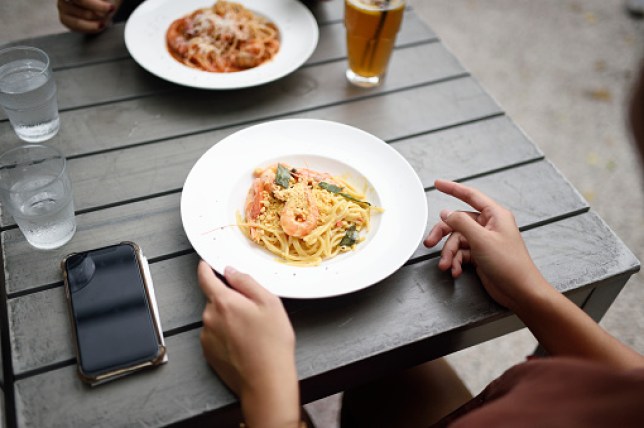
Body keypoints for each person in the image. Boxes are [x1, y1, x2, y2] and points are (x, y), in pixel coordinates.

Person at [197, 65, 644, 427]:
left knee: (210, 409)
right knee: (387, 367)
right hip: (505, 398)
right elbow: (631, 380)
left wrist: (269, 393)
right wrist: (529, 291)